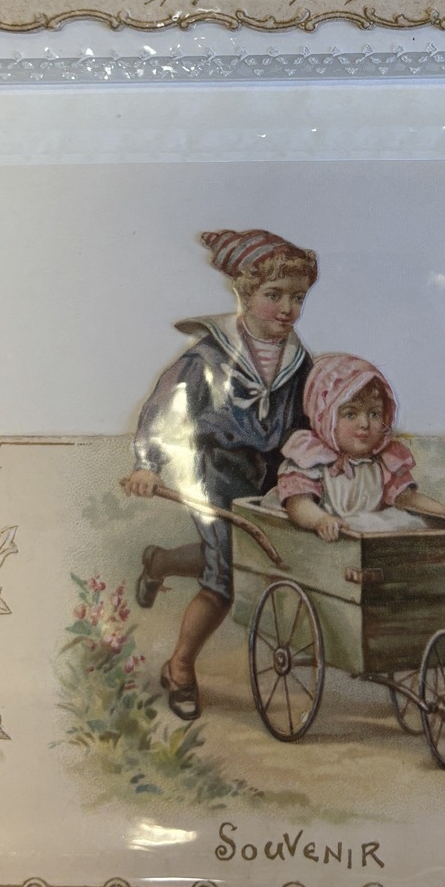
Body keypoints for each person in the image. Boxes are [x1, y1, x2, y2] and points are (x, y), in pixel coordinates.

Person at [122, 228, 316, 719]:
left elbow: (311, 416)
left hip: (273, 475)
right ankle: (180, 668)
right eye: (274, 295)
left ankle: (160, 562)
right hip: (215, 470)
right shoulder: (208, 355)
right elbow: (163, 410)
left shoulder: (299, 361)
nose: (287, 309)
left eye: (297, 298)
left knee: (254, 553)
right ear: (244, 294)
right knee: (225, 577)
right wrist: (147, 465)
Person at [276, 352, 445, 539]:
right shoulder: (311, 457)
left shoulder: (382, 462)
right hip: (329, 538)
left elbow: (407, 498)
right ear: (324, 418)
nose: (365, 424)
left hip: (368, 534)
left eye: (374, 414)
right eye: (350, 414)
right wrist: (320, 520)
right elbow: (298, 503)